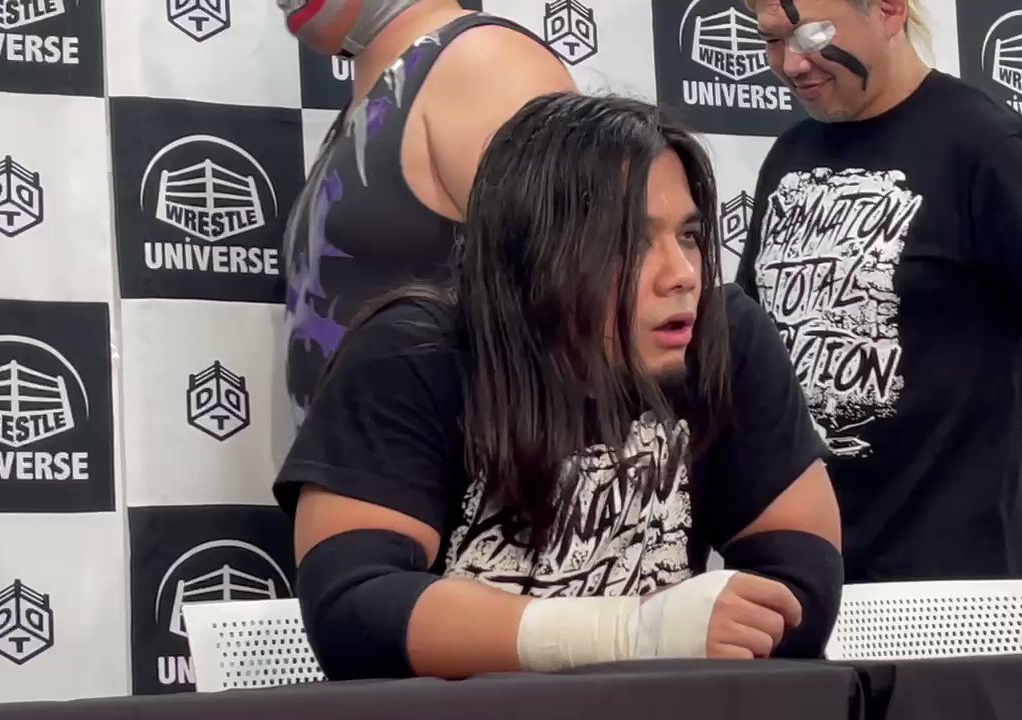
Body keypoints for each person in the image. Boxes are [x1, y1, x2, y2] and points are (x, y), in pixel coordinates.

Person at [271, 93, 844, 680]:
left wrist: (676, 636)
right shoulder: (412, 354)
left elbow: (800, 582)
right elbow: (354, 610)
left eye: (690, 236)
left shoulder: (724, 338)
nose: (682, 275)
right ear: (536, 255)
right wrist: (629, 633)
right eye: (633, 243)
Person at [736, 0, 1022, 654]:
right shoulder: (790, 152)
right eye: (773, 40)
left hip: (947, 592)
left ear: (889, 10)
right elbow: (753, 351)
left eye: (811, 34)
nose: (790, 63)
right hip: (798, 585)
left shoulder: (984, 144)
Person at [275, 0, 577, 420]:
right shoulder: (372, 104)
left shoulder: (483, 65)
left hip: (456, 457)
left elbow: (579, 313)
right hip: (369, 457)